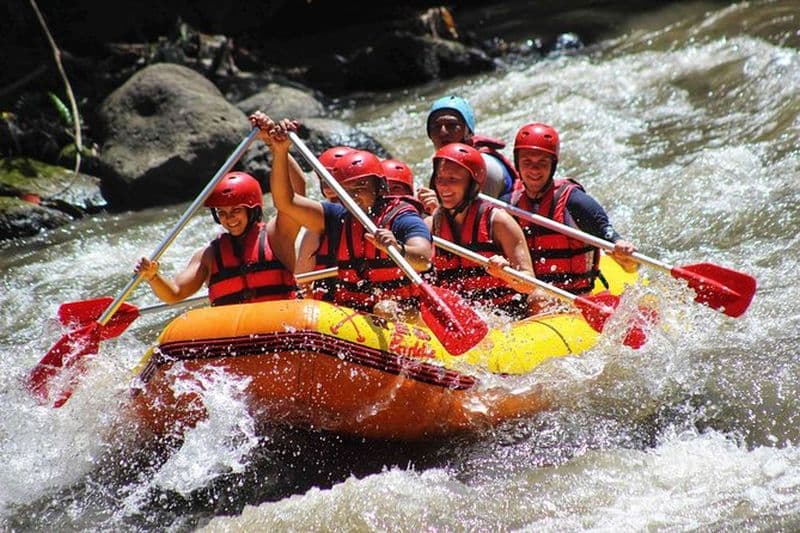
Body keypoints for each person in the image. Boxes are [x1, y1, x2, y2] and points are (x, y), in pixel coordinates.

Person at [251, 111, 434, 318]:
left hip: (401, 311)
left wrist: (398, 248)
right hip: (352, 315)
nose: (353, 194)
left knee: (385, 309)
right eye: (346, 188)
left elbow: (424, 259)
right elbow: (286, 202)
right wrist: (280, 150)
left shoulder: (402, 217)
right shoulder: (335, 216)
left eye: (361, 185)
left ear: (380, 186)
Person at [508, 122, 637, 295]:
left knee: (538, 297)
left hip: (576, 297)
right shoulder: (508, 206)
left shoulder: (575, 202)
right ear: (517, 163)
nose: (534, 169)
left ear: (553, 165)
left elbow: (622, 253)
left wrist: (622, 250)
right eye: (527, 162)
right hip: (529, 298)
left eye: (543, 162)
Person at [134, 172, 299, 306]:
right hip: (236, 333)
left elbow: (293, 198)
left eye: (236, 210)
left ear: (252, 210)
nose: (229, 218)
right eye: (222, 213)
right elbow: (174, 293)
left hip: (279, 324)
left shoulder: (276, 236)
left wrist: (280, 149)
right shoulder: (209, 255)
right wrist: (153, 277)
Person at [425, 142, 548, 319]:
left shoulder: (499, 221)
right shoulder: (431, 225)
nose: (443, 187)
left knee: (540, 297)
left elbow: (530, 283)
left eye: (453, 180)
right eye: (440, 179)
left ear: (472, 184)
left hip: (507, 316)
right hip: (461, 319)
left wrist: (505, 274)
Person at [417, 95, 518, 213]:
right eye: (436, 126)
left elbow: (473, 222)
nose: (443, 132)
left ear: (468, 131)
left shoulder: (486, 167)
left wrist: (435, 211)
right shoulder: (445, 166)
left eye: (452, 125)